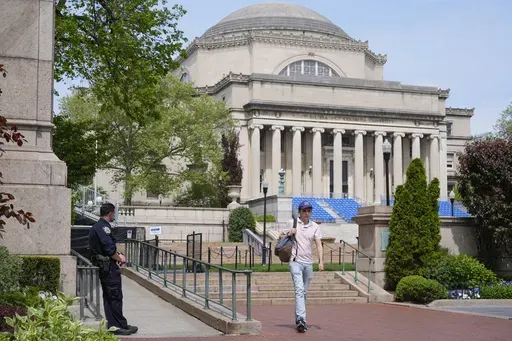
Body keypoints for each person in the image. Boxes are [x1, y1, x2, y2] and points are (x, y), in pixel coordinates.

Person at [88, 203, 138, 336]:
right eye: (114, 213)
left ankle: (119, 323)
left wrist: (117, 255)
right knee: (114, 296)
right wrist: (120, 258)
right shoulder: (103, 228)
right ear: (110, 213)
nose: (114, 215)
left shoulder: (97, 227)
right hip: (108, 268)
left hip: (106, 266)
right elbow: (109, 249)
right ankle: (115, 325)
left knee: (111, 296)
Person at [280, 200, 324, 333]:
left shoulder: (315, 226)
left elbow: (319, 244)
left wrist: (321, 261)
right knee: (299, 290)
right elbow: (280, 236)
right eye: (304, 210)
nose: (306, 213)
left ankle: (299, 317)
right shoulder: (293, 223)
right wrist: (289, 233)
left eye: (309, 210)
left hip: (308, 263)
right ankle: (301, 320)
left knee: (303, 292)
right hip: (295, 261)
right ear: (299, 212)